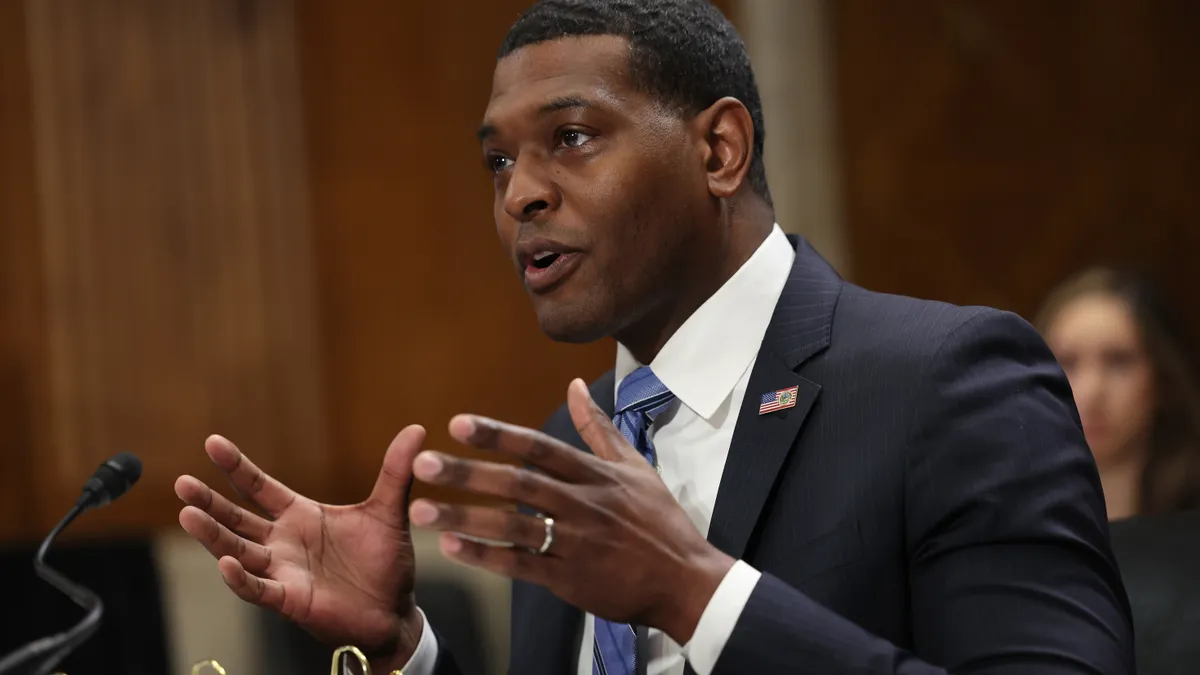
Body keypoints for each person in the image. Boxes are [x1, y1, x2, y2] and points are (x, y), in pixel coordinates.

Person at [174, 1, 1134, 673]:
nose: (520, 194)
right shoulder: (567, 446)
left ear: (718, 151)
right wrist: (401, 647)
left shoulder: (947, 382)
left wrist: (695, 594)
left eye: (573, 137)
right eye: (498, 161)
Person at [1036, 267, 1200, 520]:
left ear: (1165, 381)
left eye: (1118, 361)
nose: (1091, 392)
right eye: (1067, 362)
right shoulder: (1007, 525)